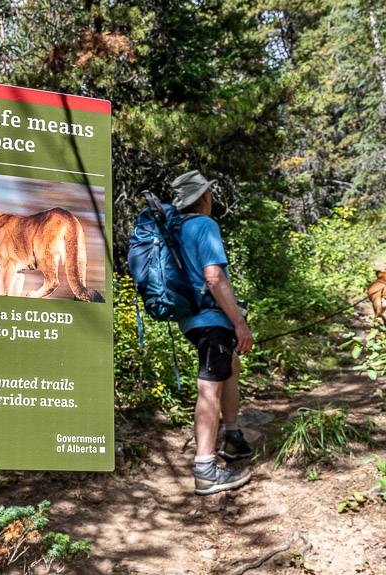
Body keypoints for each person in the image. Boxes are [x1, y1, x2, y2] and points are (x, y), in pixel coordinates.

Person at [171, 170, 255, 496]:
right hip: (211, 319)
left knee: (229, 365)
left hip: (191, 319)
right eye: (209, 193)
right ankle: (205, 470)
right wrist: (239, 322)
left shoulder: (175, 231)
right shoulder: (204, 225)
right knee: (209, 387)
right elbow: (214, 277)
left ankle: (231, 436)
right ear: (203, 197)